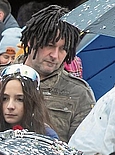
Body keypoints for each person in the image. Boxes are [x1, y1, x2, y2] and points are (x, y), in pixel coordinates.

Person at [19, 5, 93, 142]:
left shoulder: (79, 93)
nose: (55, 55)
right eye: (50, 45)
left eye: (63, 49)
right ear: (31, 41)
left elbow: (83, 147)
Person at [0, 63, 56, 138]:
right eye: (4, 98)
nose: (10, 106)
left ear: (33, 102)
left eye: (19, 99)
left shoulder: (47, 136)